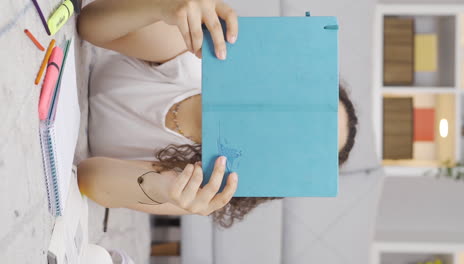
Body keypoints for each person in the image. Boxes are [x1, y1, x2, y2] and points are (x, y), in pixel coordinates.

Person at [77, 0, 358, 227]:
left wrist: (165, 188)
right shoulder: (196, 60)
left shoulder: (204, 183)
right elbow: (89, 25)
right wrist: (163, 7)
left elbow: (88, 178)